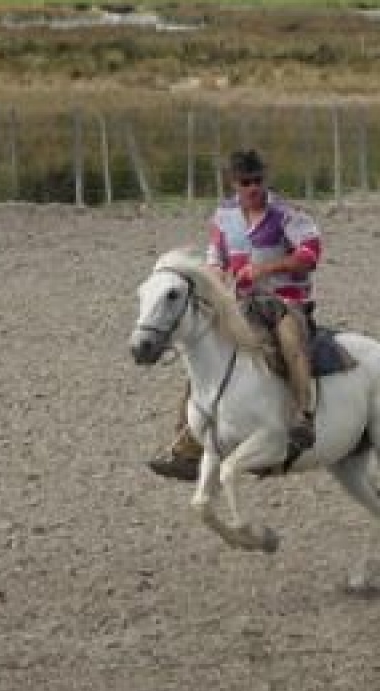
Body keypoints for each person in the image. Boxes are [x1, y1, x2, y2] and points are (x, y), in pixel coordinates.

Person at [148, 149, 323, 481]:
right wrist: (215, 281)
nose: (254, 187)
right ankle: (186, 440)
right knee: (202, 353)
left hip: (285, 300)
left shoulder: (287, 214)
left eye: (258, 181)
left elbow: (310, 253)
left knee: (291, 343)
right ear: (234, 184)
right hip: (241, 303)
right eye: (246, 182)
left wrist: (266, 269)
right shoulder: (223, 216)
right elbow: (217, 258)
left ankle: (303, 416)